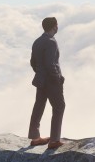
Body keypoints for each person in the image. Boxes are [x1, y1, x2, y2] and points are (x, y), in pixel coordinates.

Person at [28, 17, 66, 149]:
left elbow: (33, 62)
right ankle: (54, 140)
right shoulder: (51, 42)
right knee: (59, 107)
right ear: (54, 26)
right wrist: (58, 78)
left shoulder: (37, 41)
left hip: (40, 80)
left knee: (38, 106)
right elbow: (51, 64)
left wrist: (40, 73)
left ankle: (35, 137)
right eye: (57, 25)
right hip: (51, 81)